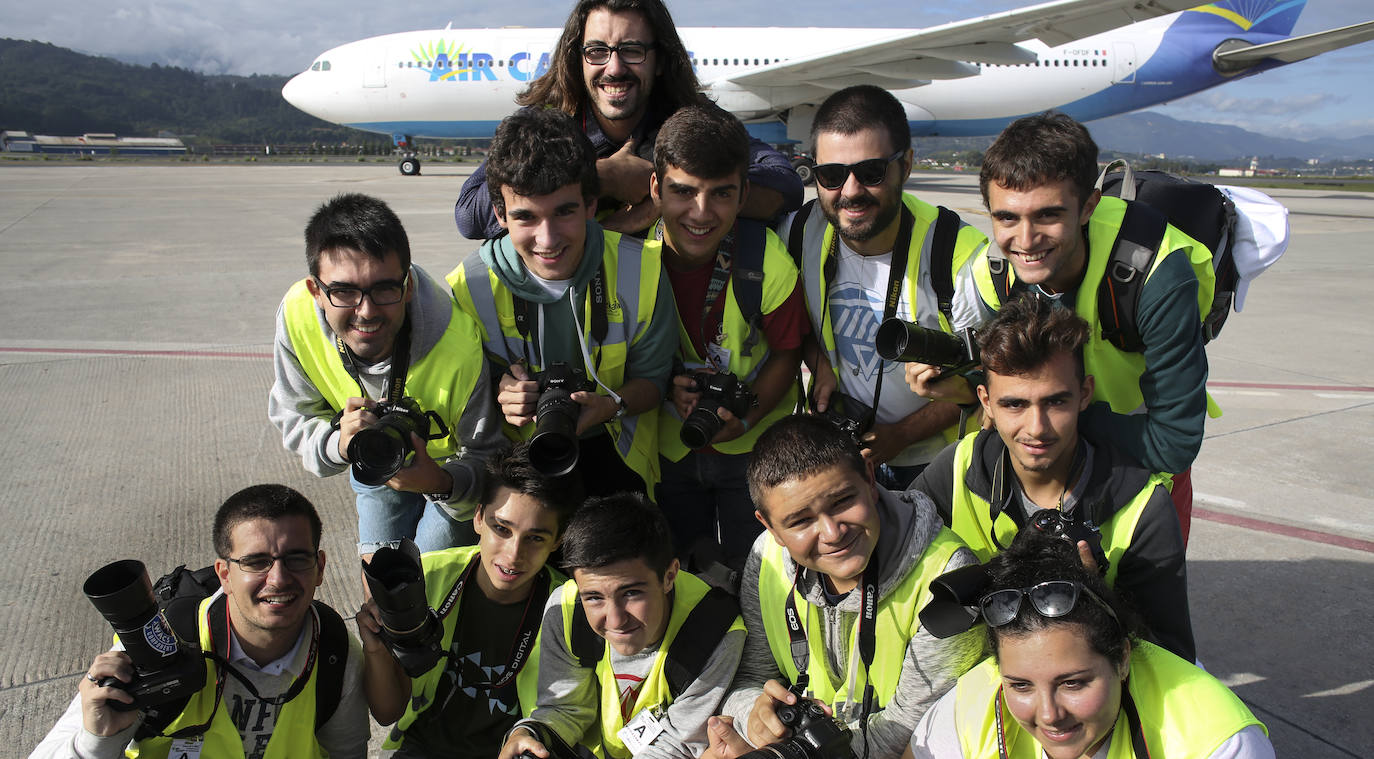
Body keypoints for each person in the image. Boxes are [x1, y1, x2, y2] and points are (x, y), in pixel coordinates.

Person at [919, 111, 1213, 542]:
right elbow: (995, 389)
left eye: (1047, 216)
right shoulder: (992, 272)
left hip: (1142, 460)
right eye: (1006, 218)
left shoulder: (1155, 274)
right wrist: (961, 385)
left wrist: (1057, 421)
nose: (1026, 239)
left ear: (1088, 207)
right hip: (1045, 464)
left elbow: (1175, 441)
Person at [913, 295, 1194, 661]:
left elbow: (1168, 659)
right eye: (1014, 404)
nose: (1036, 428)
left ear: (1085, 395)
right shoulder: (958, 467)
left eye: (1056, 402)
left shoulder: (1142, 508)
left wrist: (1094, 604)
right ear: (985, 402)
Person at [32, 484, 369, 759]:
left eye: (296, 558)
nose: (278, 578)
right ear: (224, 574)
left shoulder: (334, 652)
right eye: (256, 562)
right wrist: (96, 742)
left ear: (320, 567)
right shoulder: (160, 642)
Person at [717, 414, 982, 759]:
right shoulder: (764, 557)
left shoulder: (949, 576)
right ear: (770, 527)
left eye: (842, 501)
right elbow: (750, 677)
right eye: (800, 521)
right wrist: (754, 714)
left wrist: (795, 750)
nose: (831, 533)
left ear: (870, 478)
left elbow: (914, 733)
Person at [449, 108, 676, 498]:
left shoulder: (644, 269)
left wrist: (611, 405)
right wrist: (499, 392)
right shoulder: (468, 287)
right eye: (526, 217)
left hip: (617, 461)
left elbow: (655, 383)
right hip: (514, 467)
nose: (548, 239)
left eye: (564, 212)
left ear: (591, 204)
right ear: (499, 214)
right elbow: (458, 394)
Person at [270, 192, 505, 557]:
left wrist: (442, 483)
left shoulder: (457, 346)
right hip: (371, 455)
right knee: (381, 580)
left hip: (448, 471)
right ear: (315, 290)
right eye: (344, 291)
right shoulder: (296, 318)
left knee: (425, 579)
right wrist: (341, 444)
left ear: (408, 286)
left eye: (384, 289)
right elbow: (295, 415)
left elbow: (487, 458)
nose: (366, 312)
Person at [782, 85, 990, 491]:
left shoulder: (958, 256)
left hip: (937, 463)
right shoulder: (801, 231)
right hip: (843, 452)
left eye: (871, 171)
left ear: (906, 165)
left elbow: (989, 382)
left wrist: (903, 435)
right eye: (831, 175)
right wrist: (818, 359)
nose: (851, 190)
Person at [906, 529, 1272, 759]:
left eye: (1073, 683)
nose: (1049, 714)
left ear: (1123, 659)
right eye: (1020, 685)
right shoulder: (971, 704)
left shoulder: (1214, 741)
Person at [454, 0, 802, 239]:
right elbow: (471, 214)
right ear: (579, 59)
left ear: (660, 60)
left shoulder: (692, 121)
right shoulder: (546, 123)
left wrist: (660, 191)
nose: (615, 68)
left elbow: (784, 186)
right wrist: (596, 176)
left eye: (632, 50)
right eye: (597, 51)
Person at [647, 101, 808, 573]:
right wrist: (664, 383)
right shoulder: (631, 257)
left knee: (755, 574)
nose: (700, 212)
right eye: (683, 191)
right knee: (677, 573)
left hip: (751, 451)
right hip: (667, 446)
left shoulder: (768, 263)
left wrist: (748, 411)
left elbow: (786, 351)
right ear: (655, 188)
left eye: (721, 194)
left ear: (743, 196)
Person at [358, 442, 585, 758]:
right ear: (478, 518)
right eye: (501, 528)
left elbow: (571, 715)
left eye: (535, 538)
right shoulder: (424, 579)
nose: (513, 554)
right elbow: (387, 713)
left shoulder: (571, 608)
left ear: (558, 540)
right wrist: (375, 647)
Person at [498, 493, 746, 759]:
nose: (615, 620)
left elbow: (675, 745)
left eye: (631, 594)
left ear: (669, 576)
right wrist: (530, 735)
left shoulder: (716, 633)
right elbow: (565, 709)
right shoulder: (566, 609)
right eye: (593, 597)